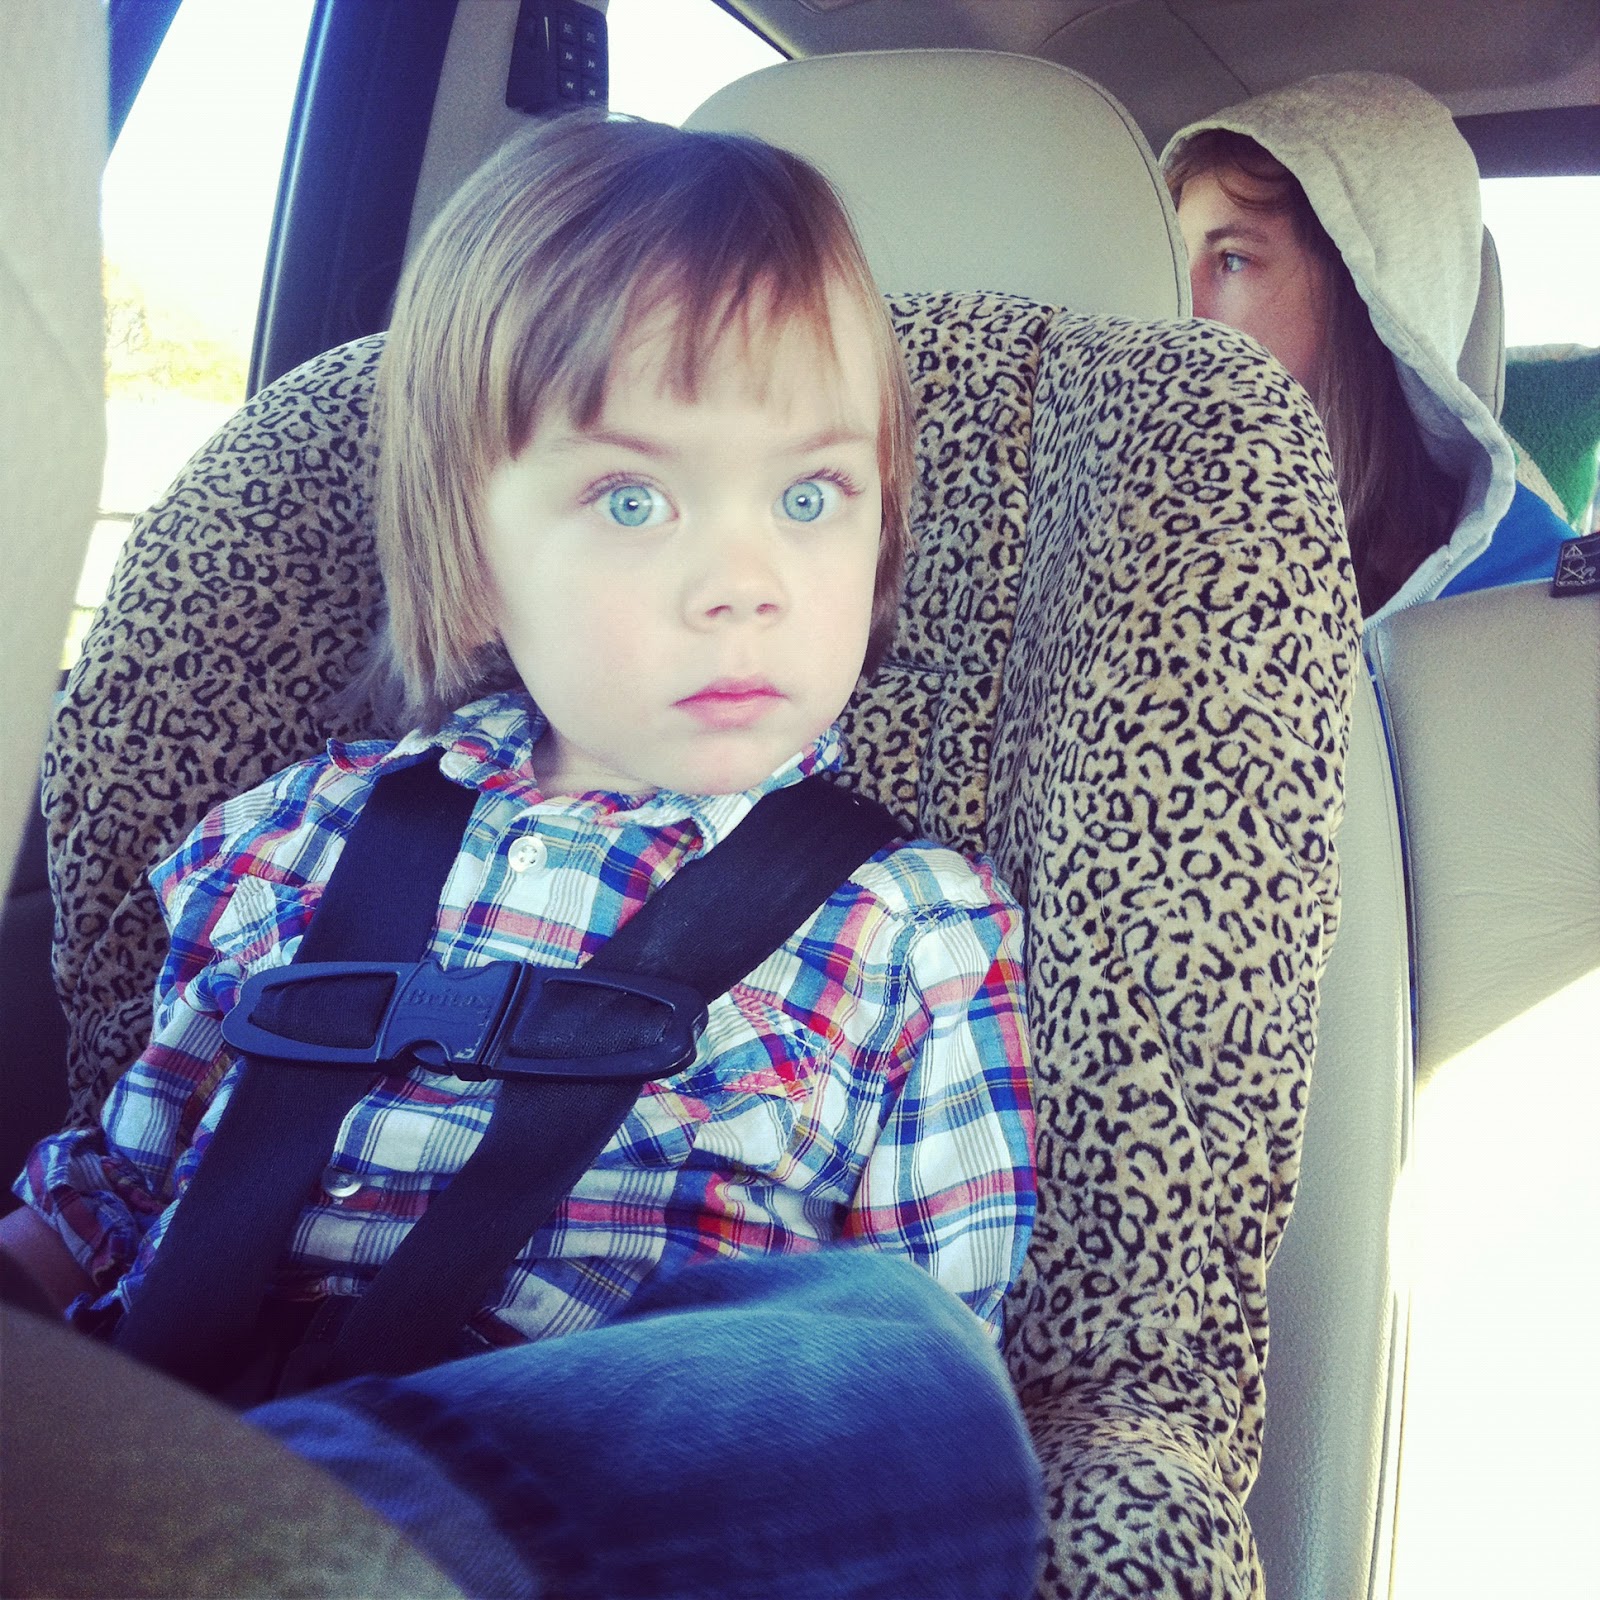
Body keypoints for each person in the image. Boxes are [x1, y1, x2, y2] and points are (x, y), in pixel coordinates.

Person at [0, 113, 1042, 1599]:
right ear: (475, 555)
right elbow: (120, 1179)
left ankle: (303, 1542)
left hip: (593, 1470)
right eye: (632, 500)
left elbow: (940, 1318)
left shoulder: (915, 924)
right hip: (181, 1428)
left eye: (811, 498)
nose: (744, 583)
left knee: (907, 1375)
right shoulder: (299, 833)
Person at [1162, 71, 1572, 617]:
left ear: (1368, 297)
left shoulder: (1541, 602)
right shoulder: (1153, 524)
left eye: (1232, 260)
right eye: (1175, 258)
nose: (1178, 304)